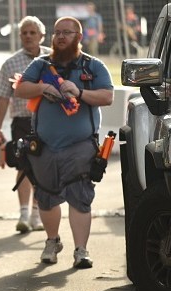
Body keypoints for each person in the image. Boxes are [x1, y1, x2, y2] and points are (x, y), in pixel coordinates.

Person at [14, 16, 113, 269]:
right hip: (44, 146)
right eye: (57, 32)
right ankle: (52, 241)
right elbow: (20, 89)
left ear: (79, 37)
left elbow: (107, 96)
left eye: (67, 32)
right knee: (46, 197)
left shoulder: (93, 66)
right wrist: (41, 89)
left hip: (81, 146)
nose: (60, 36)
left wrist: (79, 92)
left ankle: (81, 250)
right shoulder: (41, 64)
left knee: (80, 197)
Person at [0, 16, 50, 234]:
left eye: (32, 32)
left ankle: (37, 214)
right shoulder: (10, 63)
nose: (28, 36)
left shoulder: (53, 58)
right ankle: (24, 214)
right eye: (24, 33)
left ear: (42, 36)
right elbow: (3, 98)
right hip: (22, 122)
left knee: (43, 167)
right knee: (24, 165)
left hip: (49, 121)